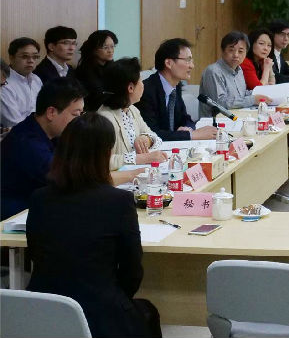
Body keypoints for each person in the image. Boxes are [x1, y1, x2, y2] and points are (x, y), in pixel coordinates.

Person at [26, 113, 162, 338]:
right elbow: (132, 270)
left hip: (44, 311)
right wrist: (114, 298)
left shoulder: (39, 198)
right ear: (105, 154)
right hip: (99, 314)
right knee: (147, 312)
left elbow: (35, 254)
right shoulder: (118, 201)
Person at [0, 77, 86, 220]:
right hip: (16, 219)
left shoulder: (52, 133)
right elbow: (72, 180)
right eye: (75, 114)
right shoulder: (27, 143)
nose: (79, 121)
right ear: (51, 112)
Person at [135, 38, 216, 141]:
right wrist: (191, 135)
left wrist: (188, 128)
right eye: (187, 60)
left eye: (191, 60)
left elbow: (185, 118)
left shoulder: (175, 86)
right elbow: (151, 134)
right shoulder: (146, 91)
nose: (192, 66)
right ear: (168, 63)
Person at [97, 58, 166, 171]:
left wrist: (146, 139)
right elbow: (101, 162)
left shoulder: (132, 110)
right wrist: (142, 158)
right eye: (140, 80)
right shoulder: (105, 119)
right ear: (130, 88)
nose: (143, 84)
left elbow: (155, 136)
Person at [199, 31, 267, 118]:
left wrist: (260, 93)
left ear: (246, 53)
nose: (236, 55)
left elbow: (241, 95)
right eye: (231, 50)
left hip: (237, 117)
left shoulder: (239, 70)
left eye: (240, 51)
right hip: (216, 121)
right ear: (222, 51)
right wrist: (252, 99)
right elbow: (220, 103)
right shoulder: (213, 71)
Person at [1, 38, 43, 129]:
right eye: (25, 56)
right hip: (18, 134)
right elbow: (15, 123)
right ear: (11, 58)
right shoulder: (4, 84)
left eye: (35, 57)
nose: (31, 61)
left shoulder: (36, 80)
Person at [74, 29, 118, 111]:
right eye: (105, 47)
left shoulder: (113, 66)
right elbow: (97, 95)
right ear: (94, 50)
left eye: (112, 46)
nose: (110, 51)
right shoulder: (84, 71)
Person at [269, 20, 289, 84]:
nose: (286, 38)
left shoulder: (279, 54)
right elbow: (277, 77)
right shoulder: (268, 54)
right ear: (272, 35)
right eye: (282, 34)